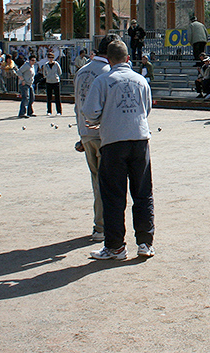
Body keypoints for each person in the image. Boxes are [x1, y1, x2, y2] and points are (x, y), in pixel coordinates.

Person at [83, 40, 154, 260]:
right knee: (143, 192)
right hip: (140, 138)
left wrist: (98, 121)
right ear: (127, 58)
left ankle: (116, 246)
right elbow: (147, 108)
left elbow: (90, 111)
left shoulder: (103, 80)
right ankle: (145, 243)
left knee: (113, 195)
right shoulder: (141, 80)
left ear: (109, 60)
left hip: (114, 141)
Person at [73, 34, 119, 243]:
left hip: (86, 133)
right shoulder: (109, 72)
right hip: (104, 134)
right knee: (109, 182)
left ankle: (99, 223)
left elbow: (77, 106)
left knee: (96, 180)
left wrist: (81, 135)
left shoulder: (81, 72)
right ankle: (102, 226)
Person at [42, 51, 63, 116]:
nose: (50, 59)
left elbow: (60, 72)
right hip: (48, 82)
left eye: (52, 57)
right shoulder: (46, 65)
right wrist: (47, 77)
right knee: (49, 97)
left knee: (57, 97)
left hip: (56, 81)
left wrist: (56, 76)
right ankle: (49, 111)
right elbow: (44, 73)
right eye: (49, 57)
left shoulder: (56, 64)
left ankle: (59, 111)